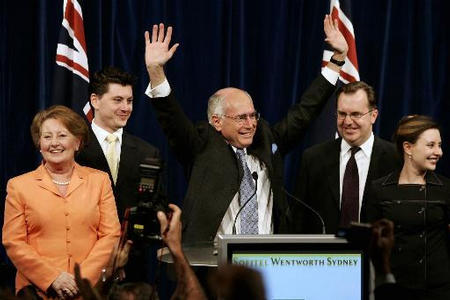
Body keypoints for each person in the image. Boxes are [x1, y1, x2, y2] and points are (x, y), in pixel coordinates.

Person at [144, 16, 348, 243]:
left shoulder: (266, 139)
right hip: (215, 265)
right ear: (217, 121)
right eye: (241, 118)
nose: (251, 124)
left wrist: (337, 60)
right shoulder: (200, 146)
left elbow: (305, 111)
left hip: (266, 262)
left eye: (253, 116)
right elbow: (172, 119)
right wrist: (155, 72)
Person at [2, 105, 121, 299]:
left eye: (62, 136)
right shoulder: (18, 186)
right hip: (36, 292)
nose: (54, 143)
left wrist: (80, 280)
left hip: (89, 291)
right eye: (47, 137)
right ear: (39, 143)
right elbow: (13, 242)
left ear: (77, 142)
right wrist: (52, 278)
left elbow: (111, 235)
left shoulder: (99, 181)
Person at [293, 81, 399, 234]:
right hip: (326, 254)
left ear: (373, 116)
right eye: (342, 114)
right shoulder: (313, 158)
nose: (348, 122)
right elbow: (299, 219)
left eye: (356, 114)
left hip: (376, 254)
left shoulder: (395, 158)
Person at [364, 115, 450, 300]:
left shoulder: (446, 189)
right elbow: (370, 247)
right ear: (408, 148)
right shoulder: (380, 189)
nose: (439, 152)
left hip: (439, 291)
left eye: (440, 145)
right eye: (431, 145)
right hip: (394, 290)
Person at [76, 66, 161, 221]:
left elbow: (157, 205)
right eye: (117, 100)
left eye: (129, 101)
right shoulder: (75, 148)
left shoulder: (148, 153)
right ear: (95, 101)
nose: (125, 108)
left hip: (131, 243)